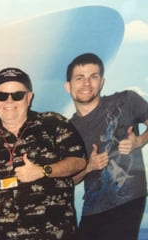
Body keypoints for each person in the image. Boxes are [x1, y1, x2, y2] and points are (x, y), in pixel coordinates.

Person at [0, 67, 87, 240]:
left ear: (29, 97)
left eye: (17, 95)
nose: (9, 101)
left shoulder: (53, 123)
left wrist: (43, 171)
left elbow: (78, 161)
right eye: (2, 95)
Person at [64, 52, 148, 240]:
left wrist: (139, 142)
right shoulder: (66, 130)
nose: (87, 83)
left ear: (101, 82)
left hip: (127, 200)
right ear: (68, 86)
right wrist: (89, 167)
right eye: (80, 78)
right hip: (92, 208)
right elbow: (69, 181)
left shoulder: (126, 101)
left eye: (93, 77)